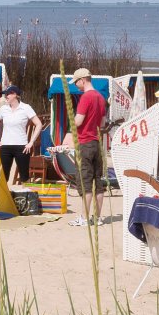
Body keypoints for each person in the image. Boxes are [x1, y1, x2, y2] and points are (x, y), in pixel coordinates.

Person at [68, 68, 108, 227]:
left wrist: (71, 125)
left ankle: (84, 218)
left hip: (85, 142)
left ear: (82, 80)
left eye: (76, 82)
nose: (76, 85)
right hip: (97, 143)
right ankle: (97, 218)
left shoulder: (86, 97)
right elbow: (103, 123)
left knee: (85, 181)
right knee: (97, 181)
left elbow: (78, 121)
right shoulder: (101, 97)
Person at [0, 85, 42, 185]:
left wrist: (31, 142)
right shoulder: (3, 109)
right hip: (5, 146)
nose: (5, 96)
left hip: (22, 146)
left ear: (15, 94)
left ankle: (26, 198)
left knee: (24, 177)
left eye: (8, 94)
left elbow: (39, 124)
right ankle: (3, 199)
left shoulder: (26, 108)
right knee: (2, 177)